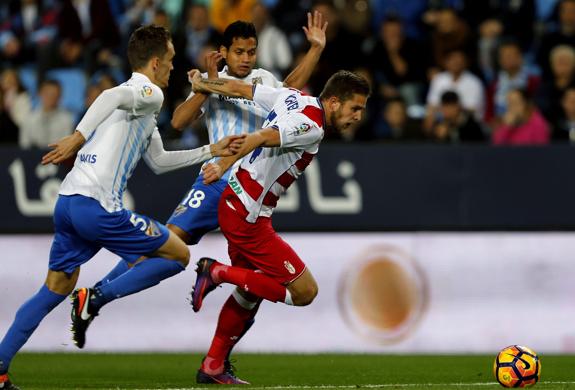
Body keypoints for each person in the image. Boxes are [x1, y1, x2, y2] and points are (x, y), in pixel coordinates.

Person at [77, 12, 327, 379]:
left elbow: (290, 88)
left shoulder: (262, 80)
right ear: (224, 52)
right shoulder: (212, 82)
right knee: (167, 242)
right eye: (239, 51)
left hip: (249, 188)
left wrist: (315, 49)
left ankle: (215, 363)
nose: (246, 58)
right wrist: (202, 87)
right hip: (213, 182)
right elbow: (178, 121)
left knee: (250, 283)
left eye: (252, 51)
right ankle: (98, 294)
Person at [0, 25, 243, 390]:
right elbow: (110, 96)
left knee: (53, 288)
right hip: (97, 207)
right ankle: (94, 298)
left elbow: (159, 162)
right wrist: (77, 137)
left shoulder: (142, 109)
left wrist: (213, 149)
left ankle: (0, 366)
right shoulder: (144, 92)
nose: (174, 68)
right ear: (156, 62)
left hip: (68, 204)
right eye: (172, 61)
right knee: (178, 255)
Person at [188, 69, 370, 384]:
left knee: (249, 294)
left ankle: (213, 366)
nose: (358, 116)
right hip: (248, 217)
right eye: (355, 108)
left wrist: (202, 83)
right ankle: (216, 272)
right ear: (335, 102)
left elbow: (238, 89)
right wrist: (224, 163)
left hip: (237, 204)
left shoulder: (292, 97)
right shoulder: (311, 127)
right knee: (304, 291)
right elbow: (262, 136)